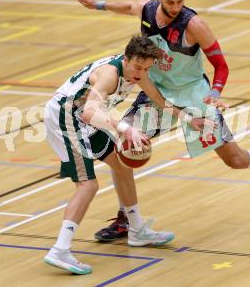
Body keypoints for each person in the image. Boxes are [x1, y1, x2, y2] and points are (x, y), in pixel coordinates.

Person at [74, 0, 250, 242]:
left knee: (234, 159)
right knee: (127, 145)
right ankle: (128, 219)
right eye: (170, 3)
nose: (176, 8)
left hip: (194, 94)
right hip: (157, 90)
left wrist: (215, 92)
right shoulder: (147, 9)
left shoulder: (194, 25)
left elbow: (221, 66)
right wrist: (96, 4)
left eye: (180, 2)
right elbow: (127, 6)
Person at [42, 36, 206, 274]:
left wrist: (189, 119)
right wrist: (125, 129)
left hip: (80, 118)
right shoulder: (110, 75)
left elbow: (160, 101)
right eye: (138, 67)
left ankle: (137, 229)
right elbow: (89, 112)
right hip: (65, 118)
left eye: (147, 68)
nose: (141, 73)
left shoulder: (139, 71)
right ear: (126, 59)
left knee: (122, 164)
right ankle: (60, 249)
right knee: (88, 185)